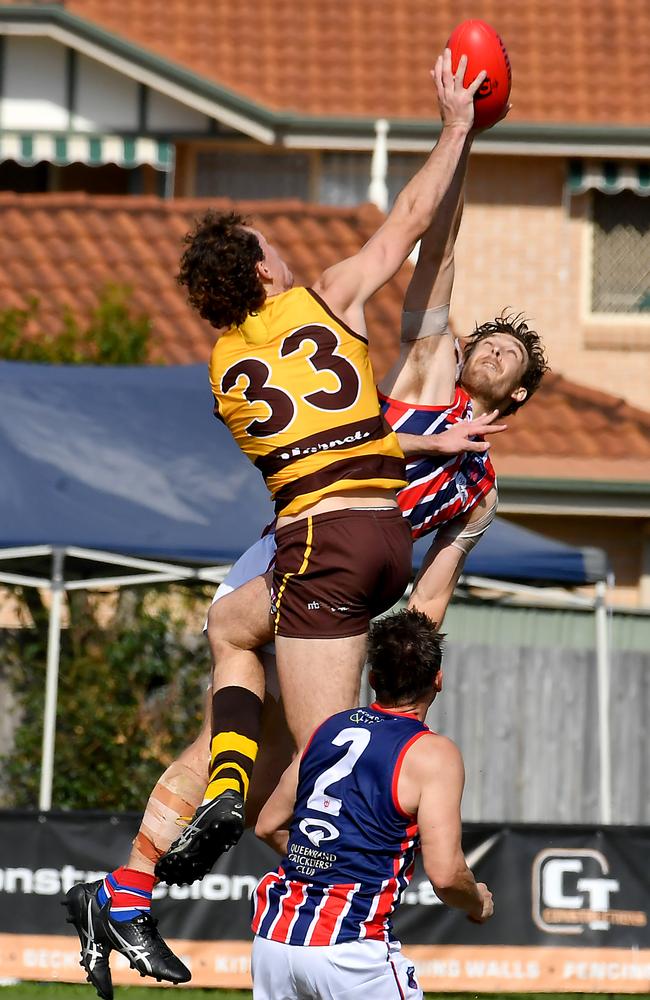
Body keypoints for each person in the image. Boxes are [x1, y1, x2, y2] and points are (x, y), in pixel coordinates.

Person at [65, 49, 489, 999]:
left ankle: (339, 937)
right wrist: (456, 128)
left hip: (321, 551)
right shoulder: (326, 297)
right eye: (272, 244)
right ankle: (160, 871)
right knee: (258, 685)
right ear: (263, 269)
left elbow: (311, 447)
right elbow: (413, 225)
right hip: (383, 534)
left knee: (305, 759)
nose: (287, 250)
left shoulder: (222, 376)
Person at [251, 608, 493, 999]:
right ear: (438, 680)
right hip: (350, 950)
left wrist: (328, 865)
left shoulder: (329, 730)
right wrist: (478, 901)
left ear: (372, 679)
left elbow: (268, 824)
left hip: (275, 943)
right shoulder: (433, 754)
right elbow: (446, 875)